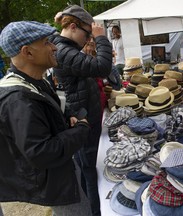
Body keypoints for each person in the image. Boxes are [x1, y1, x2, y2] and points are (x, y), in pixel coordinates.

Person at [0, 21, 92, 215]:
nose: (54, 47)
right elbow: (41, 152)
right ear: (28, 52)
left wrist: (67, 117)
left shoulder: (34, 82)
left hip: (60, 171)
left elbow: (50, 111)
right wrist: (81, 129)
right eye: (46, 42)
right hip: (56, 181)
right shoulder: (19, 99)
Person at [49, 5, 112, 216]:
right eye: (87, 34)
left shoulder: (65, 47)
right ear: (74, 27)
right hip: (84, 122)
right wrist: (101, 38)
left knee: (88, 170)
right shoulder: (65, 52)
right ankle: (95, 212)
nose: (88, 39)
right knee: (90, 171)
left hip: (86, 117)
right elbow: (103, 67)